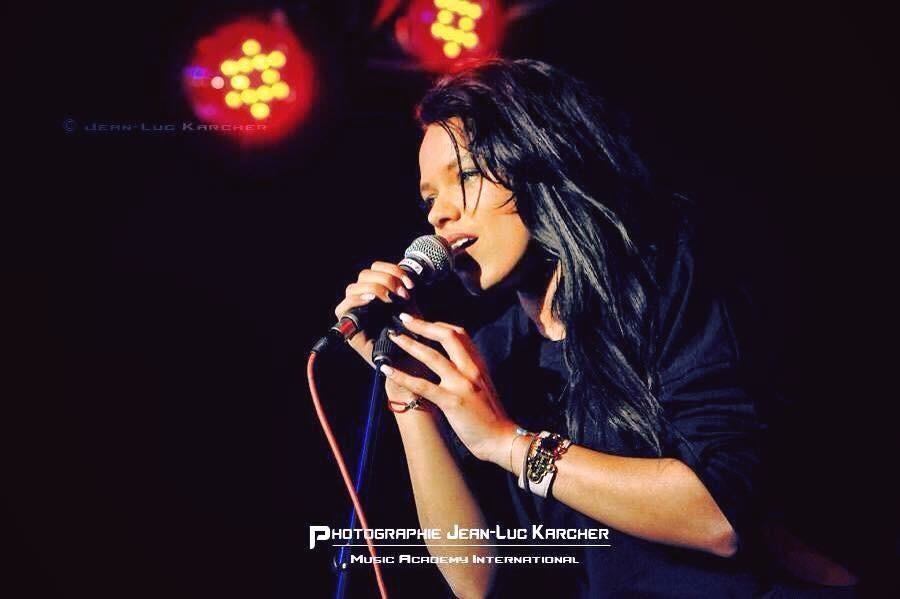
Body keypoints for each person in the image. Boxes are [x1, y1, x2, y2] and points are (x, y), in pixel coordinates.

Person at [333, 59, 766, 598]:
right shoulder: (495, 351)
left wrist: (510, 445)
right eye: (428, 199)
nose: (437, 215)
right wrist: (408, 388)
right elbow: (476, 580)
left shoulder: (671, 276)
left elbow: (720, 517)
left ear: (540, 161)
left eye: (464, 177)